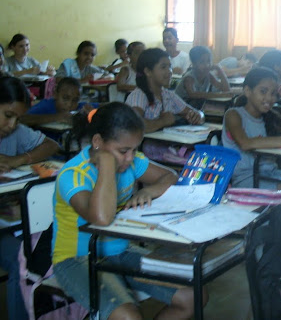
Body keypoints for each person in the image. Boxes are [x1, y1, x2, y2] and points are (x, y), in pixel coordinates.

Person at [52, 102, 203, 319]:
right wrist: (106, 164)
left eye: (135, 150)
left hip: (121, 251)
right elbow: (101, 218)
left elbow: (170, 176)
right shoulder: (74, 174)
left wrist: (149, 191)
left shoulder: (129, 161)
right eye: (123, 151)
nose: (131, 158)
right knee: (128, 316)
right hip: (76, 258)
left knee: (192, 296)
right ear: (97, 142)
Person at [0, 76, 61, 320]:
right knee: (22, 257)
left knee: (41, 249)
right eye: (7, 115)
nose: (12, 124)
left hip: (10, 225)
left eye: (18, 118)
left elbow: (50, 145)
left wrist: (19, 159)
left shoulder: (15, 132)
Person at [222, 67, 281, 219]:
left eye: (273, 93)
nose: (269, 98)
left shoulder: (270, 117)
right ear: (248, 91)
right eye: (263, 91)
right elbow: (246, 143)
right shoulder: (234, 115)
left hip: (271, 175)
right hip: (247, 181)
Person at [125, 48, 203, 132]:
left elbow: (195, 112)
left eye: (170, 67)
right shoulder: (139, 95)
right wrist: (163, 121)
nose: (169, 72)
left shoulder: (168, 95)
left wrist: (198, 116)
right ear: (148, 71)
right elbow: (133, 125)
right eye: (163, 67)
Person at [22, 76, 96, 127]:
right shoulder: (46, 105)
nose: (69, 104)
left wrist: (93, 113)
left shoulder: (79, 107)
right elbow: (22, 119)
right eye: (65, 98)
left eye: (75, 100)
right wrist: (59, 117)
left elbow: (104, 106)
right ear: (55, 94)